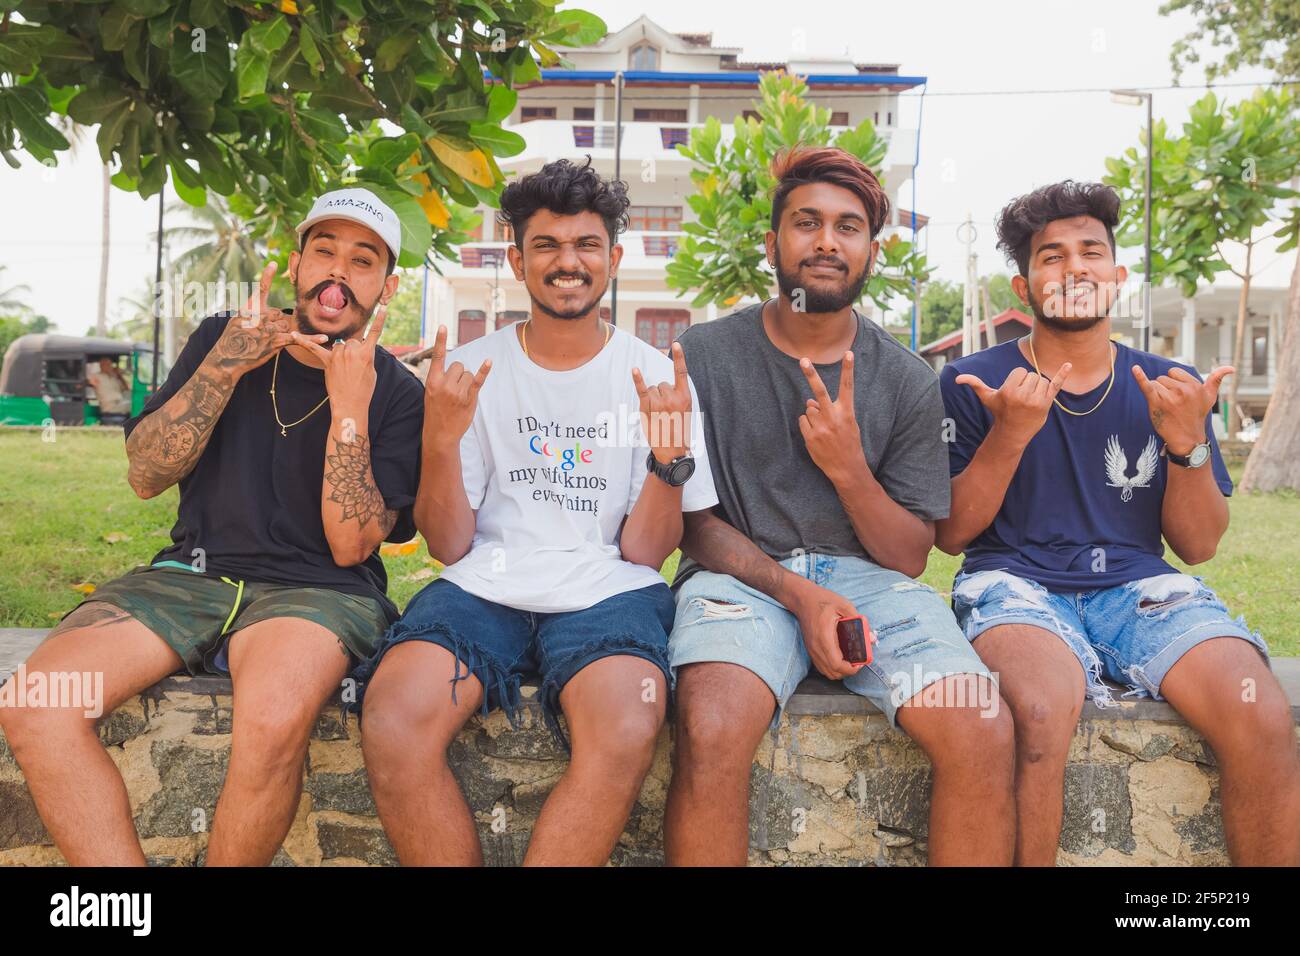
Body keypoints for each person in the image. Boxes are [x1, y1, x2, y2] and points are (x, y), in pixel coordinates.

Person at [0, 186, 424, 866]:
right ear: (294, 264)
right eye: (325, 251)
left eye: (363, 260)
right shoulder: (221, 340)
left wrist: (350, 405)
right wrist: (228, 362)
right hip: (190, 576)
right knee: (36, 706)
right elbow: (145, 475)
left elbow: (351, 545)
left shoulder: (398, 392)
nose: (338, 272)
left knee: (273, 719)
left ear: (387, 285)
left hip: (319, 591)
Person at [354, 158, 718, 866]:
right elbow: (450, 546)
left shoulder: (659, 380)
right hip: (483, 585)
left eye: (585, 245)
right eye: (546, 246)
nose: (567, 263)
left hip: (608, 590)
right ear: (518, 260)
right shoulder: (472, 371)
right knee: (394, 718)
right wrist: (440, 438)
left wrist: (668, 460)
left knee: (626, 725)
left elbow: (646, 555)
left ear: (612, 258)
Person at [663, 146, 1015, 867]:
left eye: (848, 227)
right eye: (807, 223)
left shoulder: (910, 379)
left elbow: (911, 554)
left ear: (871, 252)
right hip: (742, 579)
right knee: (711, 725)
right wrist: (801, 596)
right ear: (773, 244)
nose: (827, 241)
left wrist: (849, 468)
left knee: (981, 727)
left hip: (872, 584)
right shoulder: (702, 355)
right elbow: (692, 525)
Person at [936, 180, 1300, 866]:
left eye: (1091, 252)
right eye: (1052, 256)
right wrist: (1010, 434)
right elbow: (951, 535)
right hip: (1013, 585)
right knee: (1039, 713)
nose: (1074, 267)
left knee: (1259, 710)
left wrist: (1186, 443)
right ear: (1023, 288)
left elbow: (1197, 545)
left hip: (1141, 590)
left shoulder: (1169, 384)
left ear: (1117, 276)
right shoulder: (970, 380)